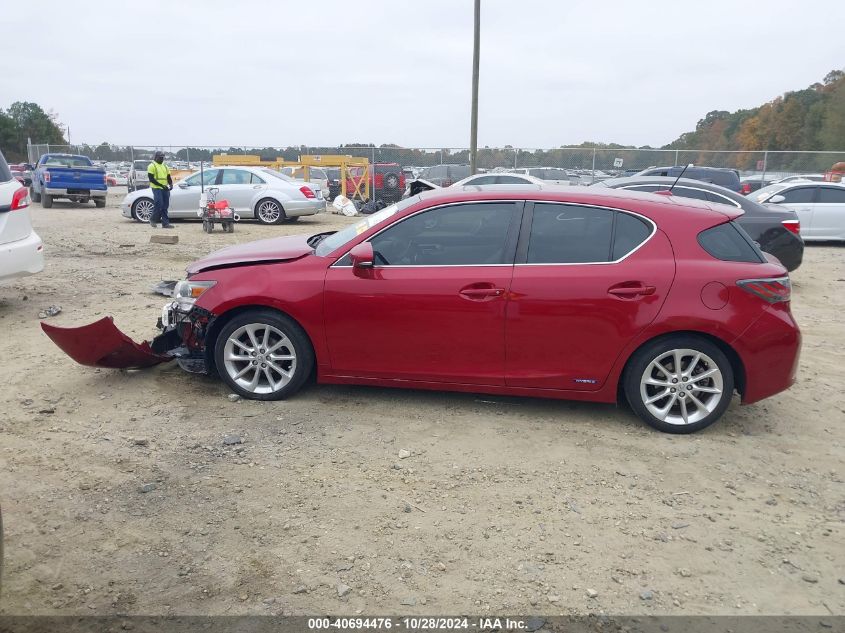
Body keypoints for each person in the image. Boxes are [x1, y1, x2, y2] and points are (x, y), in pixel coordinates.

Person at [147, 151, 174, 228]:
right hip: (156, 188)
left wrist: (171, 184)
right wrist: (161, 185)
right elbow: (151, 179)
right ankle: (153, 219)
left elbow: (168, 177)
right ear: (155, 157)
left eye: (163, 158)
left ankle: (165, 223)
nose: (162, 159)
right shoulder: (151, 166)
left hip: (165, 188)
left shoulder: (165, 166)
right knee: (159, 204)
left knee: (165, 206)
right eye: (160, 158)